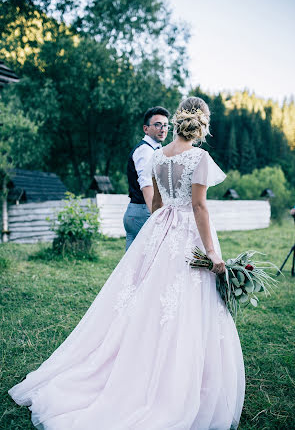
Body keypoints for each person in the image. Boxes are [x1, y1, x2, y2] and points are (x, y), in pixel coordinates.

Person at [8, 97, 245, 429]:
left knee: (150, 300)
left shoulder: (158, 157)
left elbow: (159, 204)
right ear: (202, 123)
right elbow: (200, 208)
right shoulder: (200, 158)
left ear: (177, 120)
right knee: (185, 305)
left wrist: (163, 231)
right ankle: (180, 382)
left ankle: (141, 362)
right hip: (189, 235)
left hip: (161, 231)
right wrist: (214, 254)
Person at [123, 106, 170, 250]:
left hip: (137, 211)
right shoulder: (145, 151)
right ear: (146, 129)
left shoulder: (155, 150)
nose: (162, 129)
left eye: (165, 125)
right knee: (146, 264)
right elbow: (147, 185)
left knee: (132, 266)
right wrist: (156, 216)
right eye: (157, 125)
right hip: (143, 211)